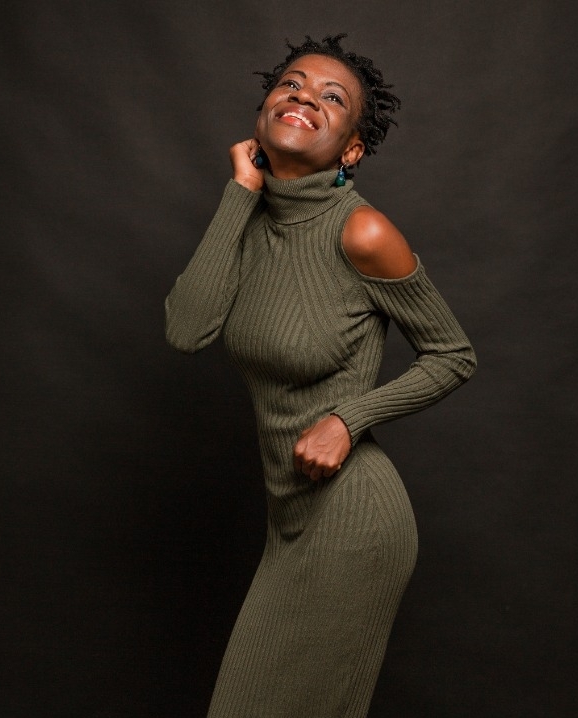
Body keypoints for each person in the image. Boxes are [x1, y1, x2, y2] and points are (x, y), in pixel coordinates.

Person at [165, 34, 476, 718]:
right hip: (290, 523)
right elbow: (186, 330)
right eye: (291, 84)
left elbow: (454, 355)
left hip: (353, 521)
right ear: (263, 113)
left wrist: (348, 419)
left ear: (352, 151)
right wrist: (240, 192)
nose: (304, 96)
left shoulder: (362, 233)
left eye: (331, 98)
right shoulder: (247, 222)